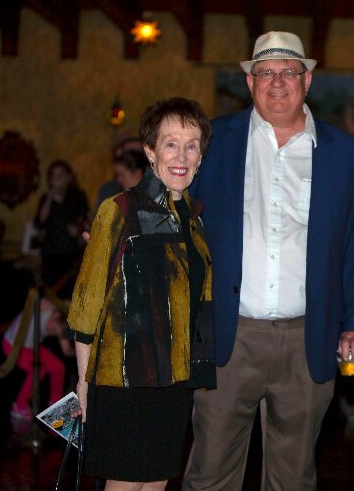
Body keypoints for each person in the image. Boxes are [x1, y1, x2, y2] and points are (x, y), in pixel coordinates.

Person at [183, 31, 354, 491]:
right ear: (250, 83)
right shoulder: (211, 143)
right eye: (265, 72)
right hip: (228, 336)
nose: (277, 82)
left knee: (292, 478)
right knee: (210, 472)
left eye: (289, 72)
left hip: (308, 338)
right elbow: (168, 200)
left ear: (306, 81)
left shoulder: (348, 155)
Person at [68, 97, 213, 488]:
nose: (181, 155)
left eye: (192, 145)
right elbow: (86, 305)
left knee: (157, 484)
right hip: (124, 382)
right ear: (150, 151)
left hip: (174, 383)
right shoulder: (119, 210)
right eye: (170, 143)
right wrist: (83, 386)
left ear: (201, 156)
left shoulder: (194, 224)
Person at [3, 298, 73, 421]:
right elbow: (51, 301)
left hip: (31, 347)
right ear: (56, 314)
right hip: (13, 345)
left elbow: (67, 351)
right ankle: (20, 407)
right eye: (52, 328)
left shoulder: (61, 325)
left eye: (55, 332)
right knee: (38, 370)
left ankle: (55, 405)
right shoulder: (46, 307)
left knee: (58, 367)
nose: (51, 332)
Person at [34, 160, 89, 296]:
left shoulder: (77, 197)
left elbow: (85, 219)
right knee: (50, 294)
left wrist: (77, 228)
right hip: (50, 254)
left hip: (71, 255)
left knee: (69, 295)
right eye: (54, 175)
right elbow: (40, 222)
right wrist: (51, 196)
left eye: (60, 174)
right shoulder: (46, 199)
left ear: (68, 177)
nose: (57, 178)